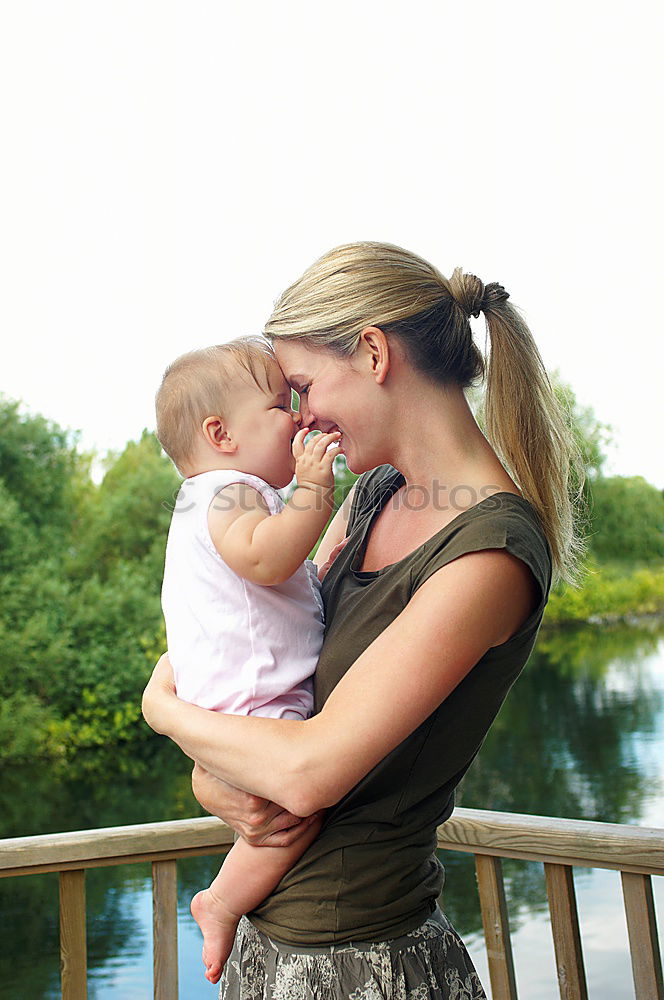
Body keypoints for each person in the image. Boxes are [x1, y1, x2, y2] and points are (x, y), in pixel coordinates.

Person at [143, 241, 584, 999]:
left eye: (304, 387)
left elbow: (306, 771)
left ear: (374, 353)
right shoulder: (375, 492)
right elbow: (259, 641)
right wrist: (212, 782)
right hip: (271, 945)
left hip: (360, 962)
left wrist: (162, 711)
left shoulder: (489, 551)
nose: (301, 418)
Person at [154, 338, 344, 983]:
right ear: (221, 433)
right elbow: (267, 559)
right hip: (254, 699)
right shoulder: (229, 491)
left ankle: (223, 898)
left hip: (236, 693)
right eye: (279, 405)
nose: (296, 418)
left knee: (276, 813)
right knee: (293, 817)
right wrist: (314, 489)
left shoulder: (208, 499)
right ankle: (222, 902)